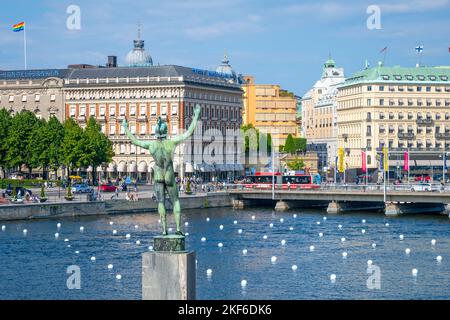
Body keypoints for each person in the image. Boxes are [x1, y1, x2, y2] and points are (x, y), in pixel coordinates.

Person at [123, 104, 201, 236]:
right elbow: (188, 133)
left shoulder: (151, 145)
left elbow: (135, 141)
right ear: (166, 131)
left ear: (156, 133)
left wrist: (125, 127)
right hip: (169, 174)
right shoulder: (172, 142)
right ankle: (177, 229)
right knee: (176, 201)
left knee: (161, 202)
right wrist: (196, 116)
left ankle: (164, 230)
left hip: (158, 174)